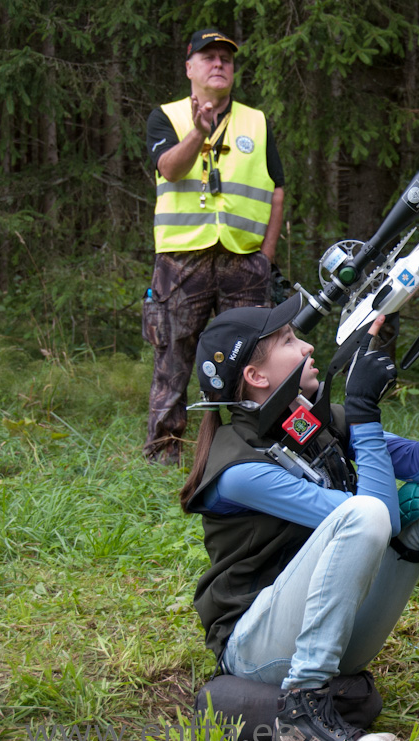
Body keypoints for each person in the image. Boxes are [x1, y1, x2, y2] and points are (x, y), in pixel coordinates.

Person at [178, 295, 419, 741]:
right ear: (256, 376)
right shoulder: (240, 469)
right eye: (290, 340)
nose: (308, 346)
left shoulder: (307, 423)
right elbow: (374, 517)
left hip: (326, 628)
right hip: (256, 646)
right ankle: (301, 718)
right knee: (365, 514)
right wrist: (363, 410)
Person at [143, 27, 286, 465]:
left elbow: (277, 189)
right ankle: (165, 453)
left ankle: (255, 448)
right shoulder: (166, 117)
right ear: (190, 68)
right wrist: (197, 132)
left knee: (255, 357)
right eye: (208, 57)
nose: (219, 64)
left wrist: (267, 255)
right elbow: (169, 167)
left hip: (244, 262)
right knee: (174, 355)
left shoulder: (256, 121)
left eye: (226, 57)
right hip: (181, 262)